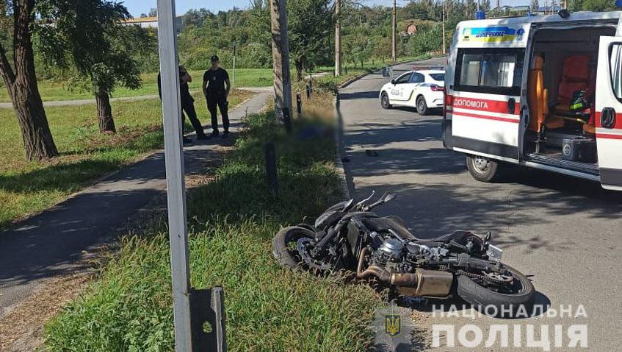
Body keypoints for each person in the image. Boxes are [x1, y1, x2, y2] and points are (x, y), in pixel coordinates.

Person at [158, 66, 208, 144]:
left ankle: (200, 134)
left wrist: (183, 79)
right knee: (181, 118)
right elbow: (176, 83)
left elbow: (189, 78)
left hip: (186, 97)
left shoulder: (181, 68)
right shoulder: (164, 72)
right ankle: (180, 137)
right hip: (175, 99)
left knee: (193, 116)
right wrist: (184, 79)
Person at [203, 55, 231, 138]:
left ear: (218, 62)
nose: (214, 63)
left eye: (215, 61)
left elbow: (228, 84)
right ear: (211, 62)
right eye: (212, 61)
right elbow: (204, 85)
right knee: (213, 114)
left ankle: (226, 130)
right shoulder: (207, 73)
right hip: (211, 96)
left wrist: (226, 94)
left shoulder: (223, 72)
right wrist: (206, 96)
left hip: (221, 95)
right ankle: (215, 130)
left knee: (224, 113)